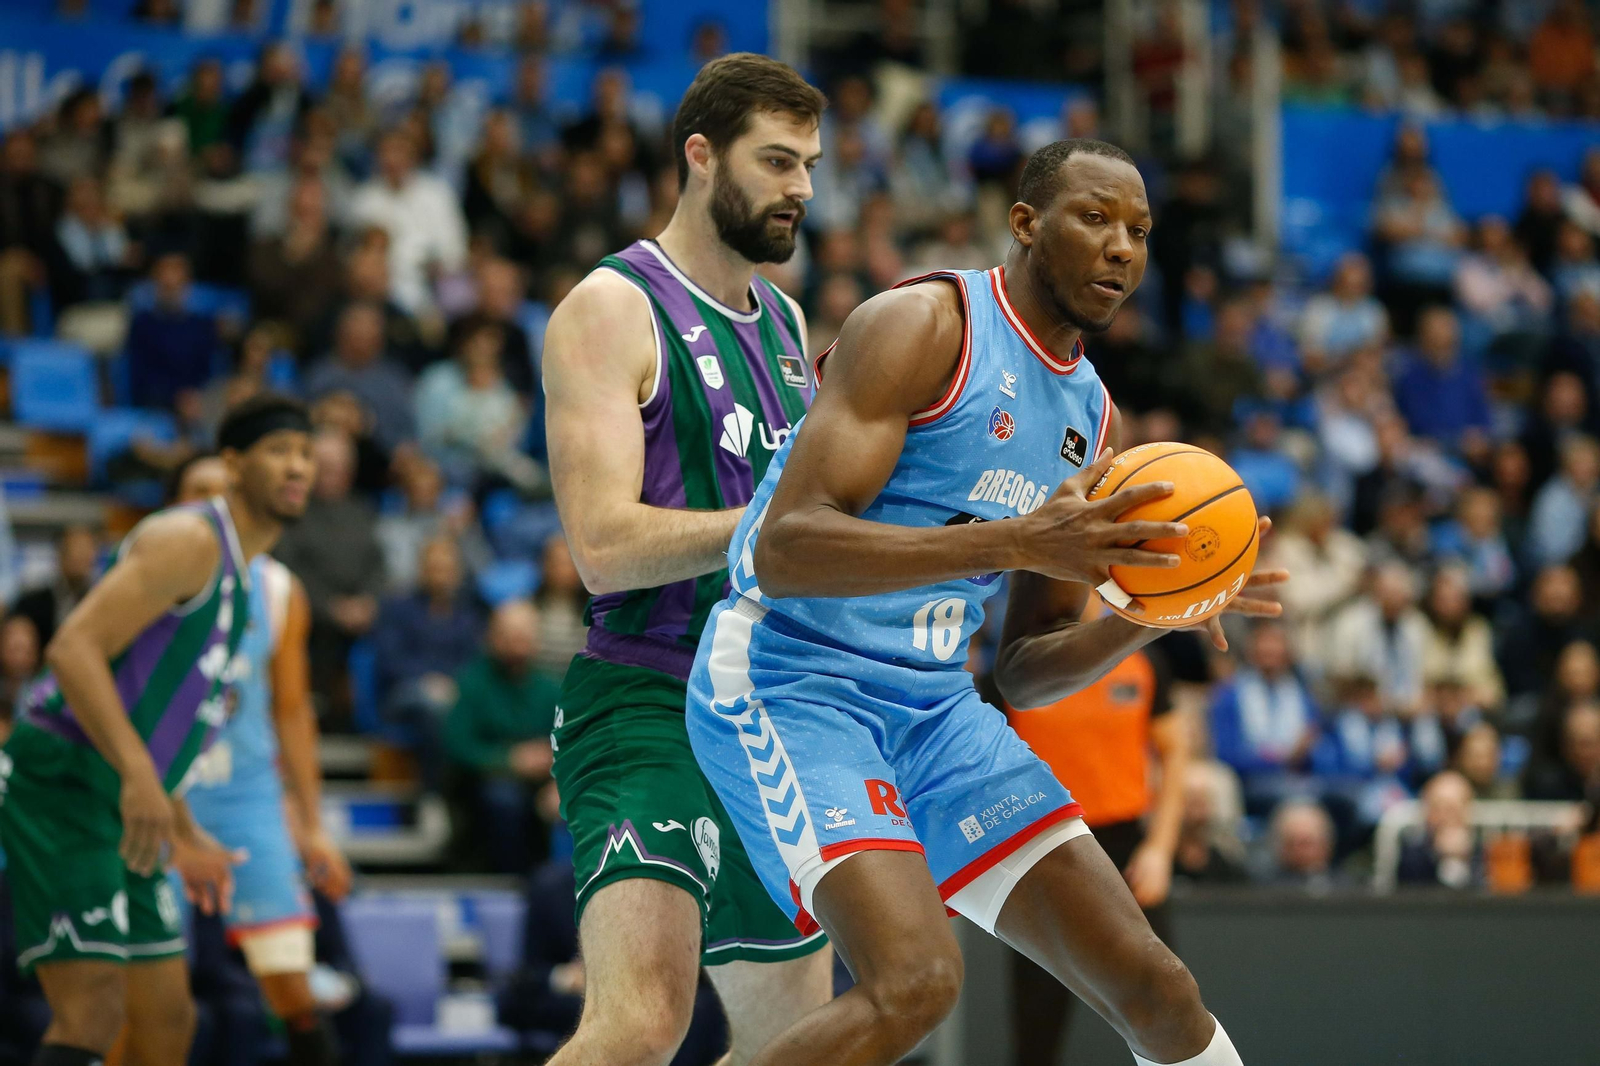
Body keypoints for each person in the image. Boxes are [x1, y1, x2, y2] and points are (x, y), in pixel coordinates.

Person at [685, 138, 1286, 1066]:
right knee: (915, 984)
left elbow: (1022, 671)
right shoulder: (924, 326)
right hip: (789, 682)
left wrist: (1139, 620)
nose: (1122, 246)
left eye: (1140, 230)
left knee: (1160, 994)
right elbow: (786, 547)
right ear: (1025, 224)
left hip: (936, 709)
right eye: (1095, 218)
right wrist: (1012, 541)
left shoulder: (1092, 419)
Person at [540, 53, 835, 1066]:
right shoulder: (610, 308)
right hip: (646, 696)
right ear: (700, 156)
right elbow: (601, 547)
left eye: (811, 163)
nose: (802, 186)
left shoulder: (789, 324)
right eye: (778, 160)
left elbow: (808, 530)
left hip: (770, 715)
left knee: (796, 1043)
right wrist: (767, 523)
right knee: (638, 1024)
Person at [0, 394, 312, 1066]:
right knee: (92, 1012)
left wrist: (179, 819)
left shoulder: (245, 585)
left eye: (307, 453)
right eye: (279, 450)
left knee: (170, 1018)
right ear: (232, 464)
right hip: (65, 780)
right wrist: (141, 775)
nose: (298, 466)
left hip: (128, 799)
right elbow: (71, 650)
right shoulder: (190, 540)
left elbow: (152, 712)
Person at [170, 453, 354, 1066]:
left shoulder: (277, 588)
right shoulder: (147, 580)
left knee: (293, 987)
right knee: (153, 996)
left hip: (248, 798)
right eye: (196, 493)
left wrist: (310, 824)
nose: (208, 506)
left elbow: (293, 713)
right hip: (163, 800)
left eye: (220, 494)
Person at [1004, 612, 1192, 1066]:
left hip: (1126, 846)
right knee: (1037, 1020)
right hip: (1041, 847)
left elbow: (1176, 752)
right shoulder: (1018, 669)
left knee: (1164, 995)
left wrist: (1161, 850)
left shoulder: (1142, 660)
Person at [444, 599, 562, 873]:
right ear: (494, 637)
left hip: (544, 779)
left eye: (524, 636)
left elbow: (570, 744)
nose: (518, 644)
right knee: (503, 798)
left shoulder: (551, 687)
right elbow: (458, 745)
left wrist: (560, 779)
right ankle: (510, 879)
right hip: (486, 782)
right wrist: (510, 760)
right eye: (510, 636)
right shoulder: (473, 682)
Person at [12, 526, 100, 649]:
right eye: (77, 550)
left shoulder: (99, 601)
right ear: (60, 554)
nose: (83, 557)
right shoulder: (30, 605)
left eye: (88, 552)